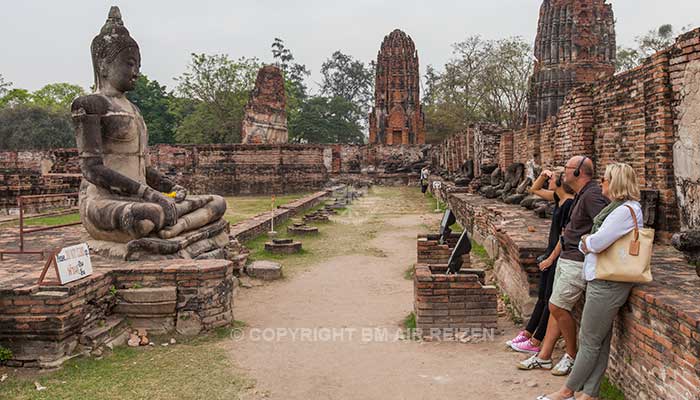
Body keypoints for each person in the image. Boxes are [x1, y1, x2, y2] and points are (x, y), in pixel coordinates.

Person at [538, 163, 643, 400]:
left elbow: (596, 243)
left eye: (605, 179)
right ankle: (590, 393)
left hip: (608, 282)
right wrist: (590, 240)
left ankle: (567, 391)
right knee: (600, 341)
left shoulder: (625, 211)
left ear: (616, 182)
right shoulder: (619, 208)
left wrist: (586, 241)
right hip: (603, 278)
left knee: (588, 341)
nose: (602, 183)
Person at [537, 156, 609, 377]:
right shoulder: (582, 194)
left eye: (567, 169)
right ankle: (545, 356)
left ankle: (571, 355)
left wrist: (588, 243)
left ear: (578, 172)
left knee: (557, 307)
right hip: (567, 256)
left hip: (577, 260)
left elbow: (604, 224)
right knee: (554, 306)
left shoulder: (593, 194)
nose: (563, 173)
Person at [508, 168, 574, 358]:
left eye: (552, 179)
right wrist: (543, 175)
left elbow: (565, 237)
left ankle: (536, 341)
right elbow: (534, 190)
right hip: (549, 254)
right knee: (542, 297)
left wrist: (550, 259)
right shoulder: (558, 198)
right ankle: (528, 333)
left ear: (561, 183)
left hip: (557, 256)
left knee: (550, 301)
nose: (548, 182)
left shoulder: (568, 204)